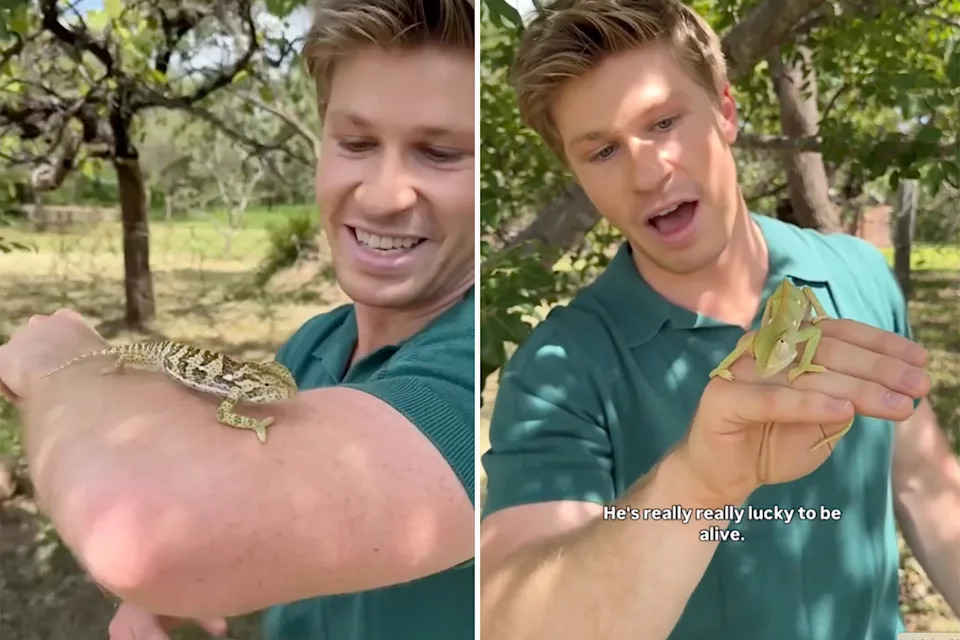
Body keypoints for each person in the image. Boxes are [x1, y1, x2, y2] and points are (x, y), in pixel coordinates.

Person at [479, 1, 960, 638]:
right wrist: (701, 484)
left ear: (726, 113)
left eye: (665, 121)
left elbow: (924, 484)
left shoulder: (858, 274)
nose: (649, 172)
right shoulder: (558, 372)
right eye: (602, 151)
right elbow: (513, 615)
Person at [0, 0, 477, 639]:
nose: (383, 195)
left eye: (442, 153)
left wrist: (55, 365)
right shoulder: (314, 344)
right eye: (357, 142)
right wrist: (192, 588)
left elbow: (138, 532)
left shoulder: (470, 372)